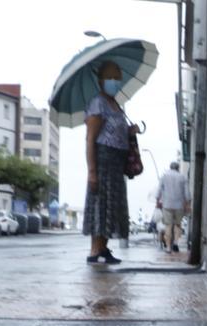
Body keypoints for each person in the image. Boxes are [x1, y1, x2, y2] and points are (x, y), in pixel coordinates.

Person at [82, 60, 137, 264]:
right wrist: (92, 171)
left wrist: (130, 131)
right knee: (101, 204)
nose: (115, 82)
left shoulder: (116, 105)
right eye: (110, 78)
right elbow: (90, 139)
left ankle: (103, 247)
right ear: (101, 80)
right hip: (103, 160)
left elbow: (117, 129)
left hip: (116, 162)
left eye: (117, 78)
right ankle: (95, 249)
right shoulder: (97, 104)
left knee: (112, 206)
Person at [155, 161, 191, 253]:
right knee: (178, 225)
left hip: (167, 204)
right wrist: (187, 203)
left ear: (170, 167)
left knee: (168, 226)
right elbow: (187, 193)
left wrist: (157, 201)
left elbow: (158, 190)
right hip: (179, 205)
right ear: (178, 168)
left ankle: (168, 247)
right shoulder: (183, 177)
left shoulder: (164, 176)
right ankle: (175, 243)